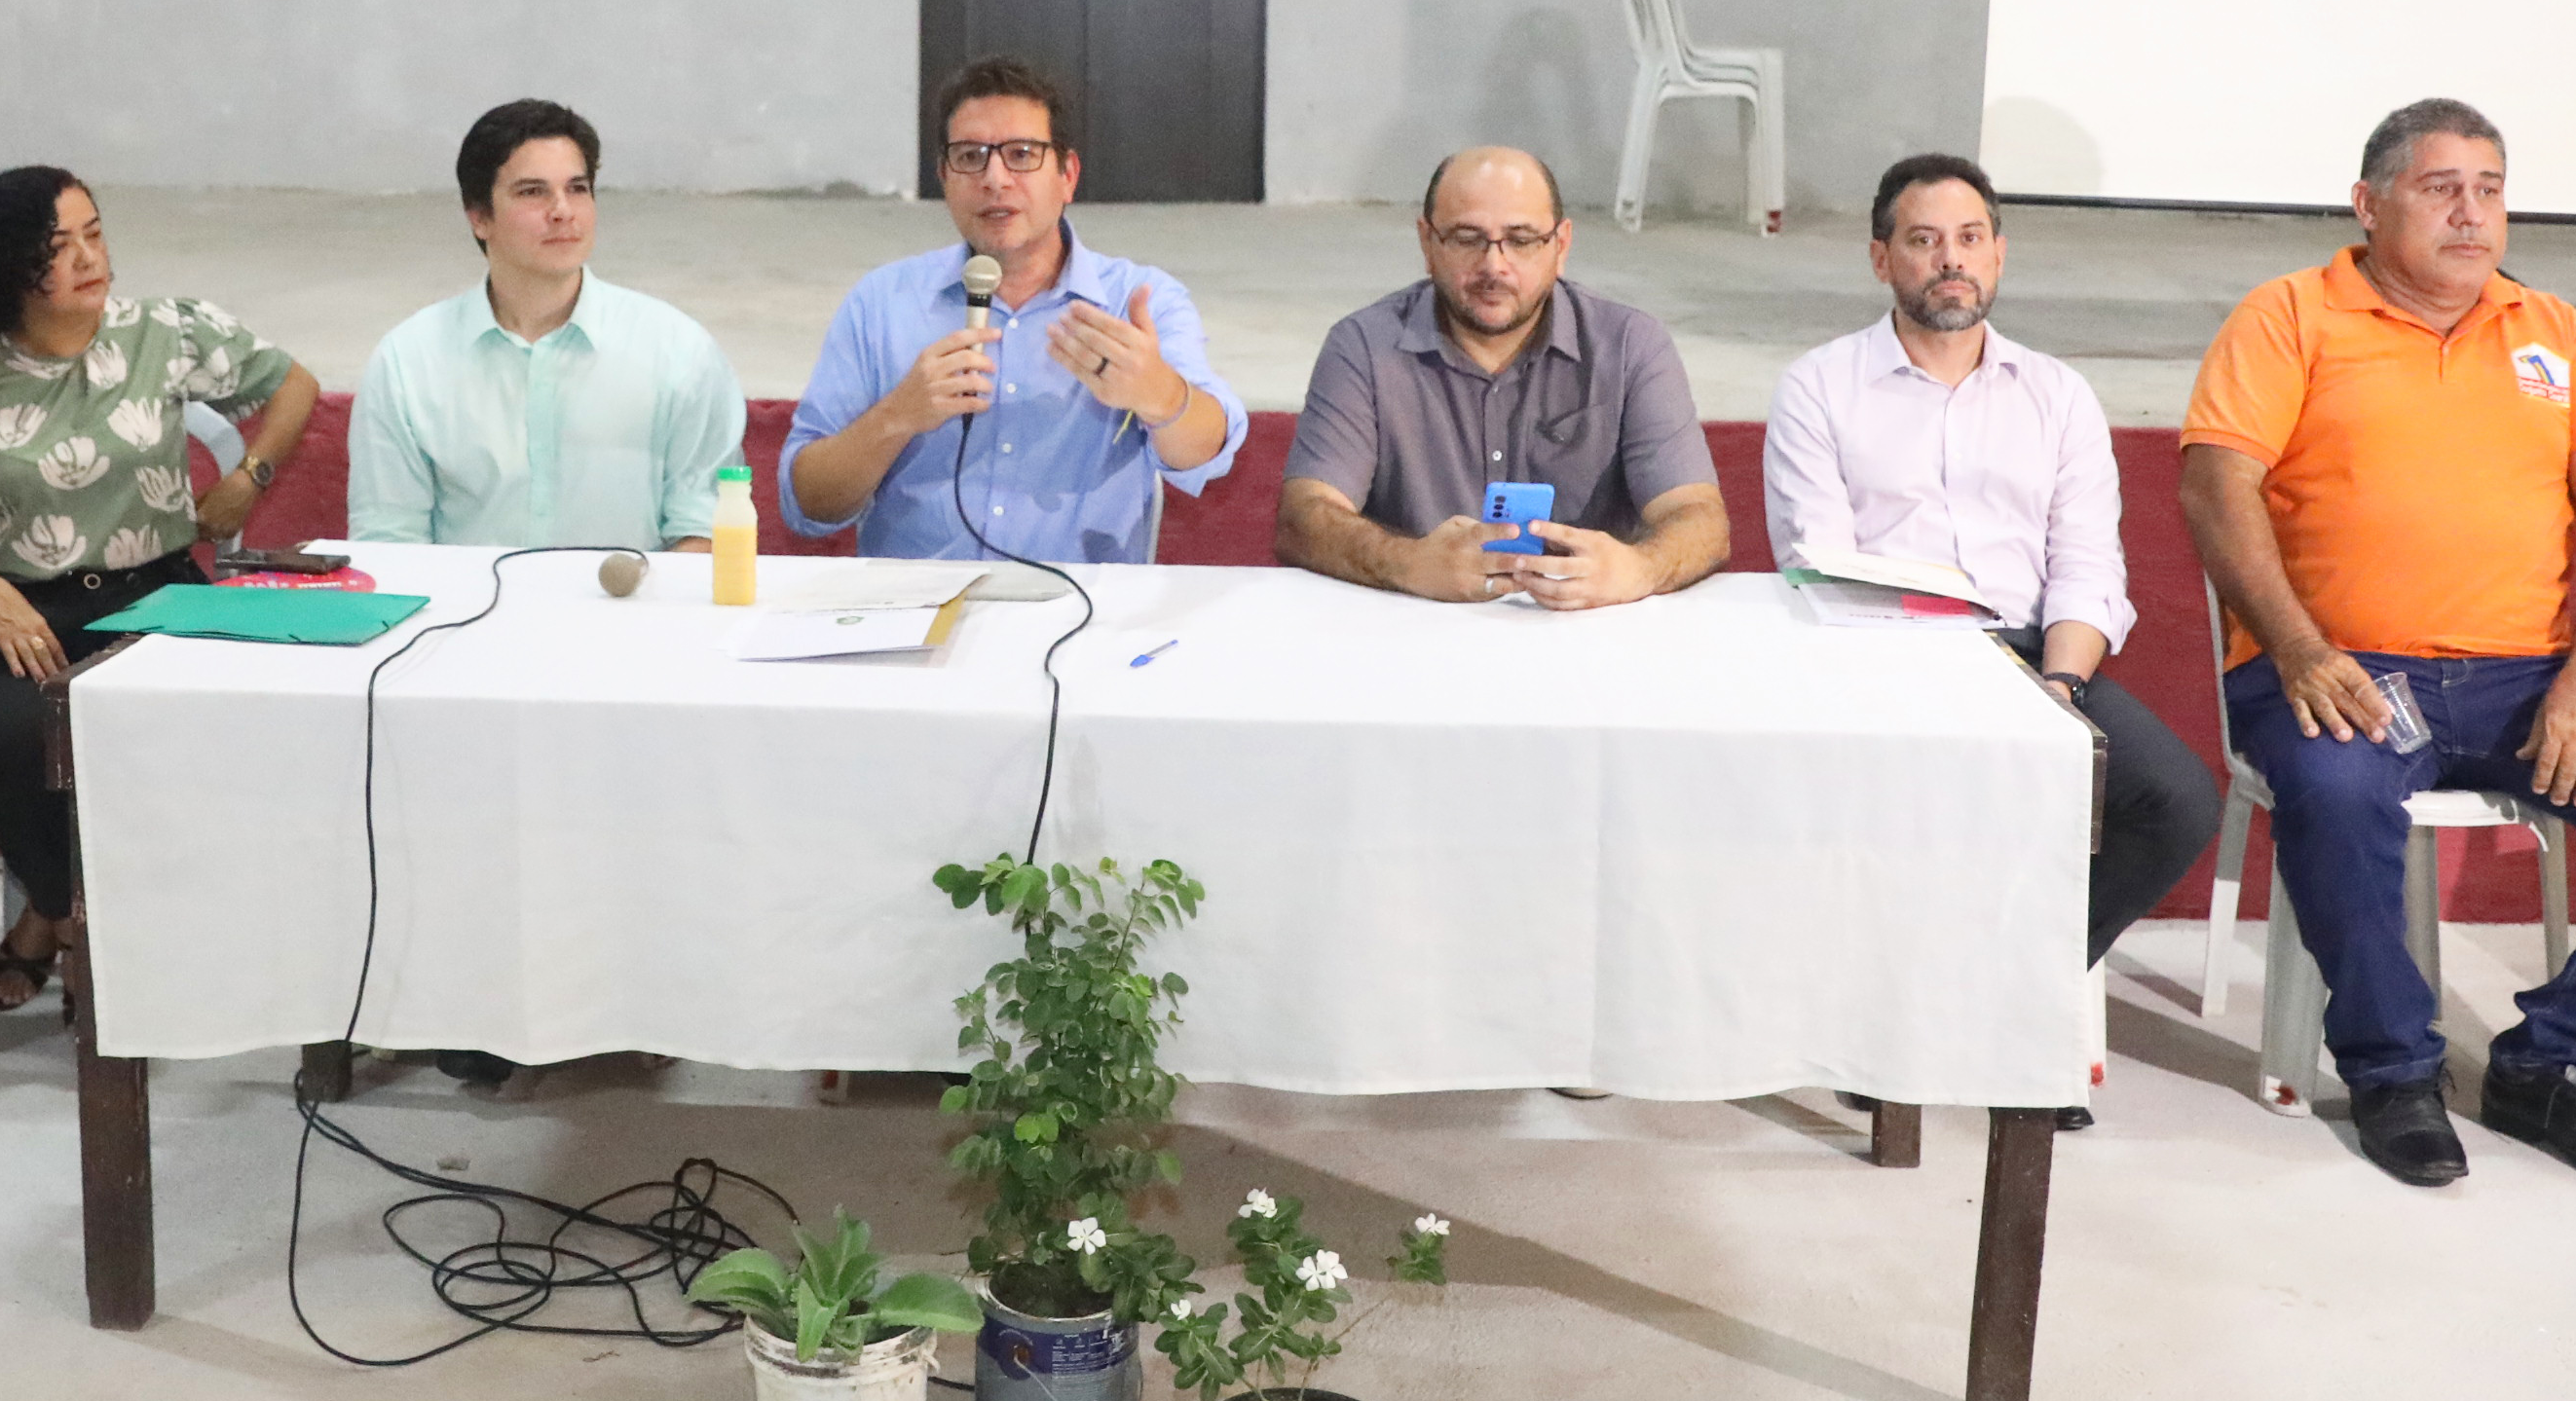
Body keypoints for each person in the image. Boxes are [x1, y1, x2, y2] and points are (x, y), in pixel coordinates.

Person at [2178, 97, 2576, 1197]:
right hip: (2349, 666)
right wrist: (2302, 651)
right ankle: (2392, 1071)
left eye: (2490, 190)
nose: (2471, 214)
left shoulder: (2553, 331)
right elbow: (2215, 485)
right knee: (2336, 791)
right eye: (2440, 189)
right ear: (2368, 205)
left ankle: (2555, 1066)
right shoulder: (2290, 316)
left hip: (2530, 674)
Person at [1765, 154, 2215, 1124]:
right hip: (1886, 658)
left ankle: (1975, 1003)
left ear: (1999, 256)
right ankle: (1980, 1026)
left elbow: (2088, 567)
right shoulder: (1821, 387)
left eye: (1970, 239)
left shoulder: (2056, 395)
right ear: (1881, 258)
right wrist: (1934, 678)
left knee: (2174, 800)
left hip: (2032, 662)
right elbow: (1818, 563)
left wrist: (2060, 687)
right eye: (1924, 241)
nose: (1950, 261)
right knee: (1930, 793)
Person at [0, 166, 317, 1024]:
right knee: (10, 740)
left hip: (157, 596)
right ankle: (70, 918)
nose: (89, 258)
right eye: (59, 247)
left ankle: (59, 922)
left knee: (186, 737)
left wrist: (248, 477)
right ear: (8, 265)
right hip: (23, 611)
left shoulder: (166, 331)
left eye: (94, 233)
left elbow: (294, 385)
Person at [782, 55, 1244, 565]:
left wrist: (1159, 394)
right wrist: (898, 415)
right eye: (970, 156)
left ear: (1068, 175)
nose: (994, 178)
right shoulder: (882, 304)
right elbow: (808, 505)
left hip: (1081, 603)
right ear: (943, 177)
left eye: (1021, 155)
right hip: (917, 603)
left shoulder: (1135, 301)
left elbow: (1209, 452)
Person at [1280, 146, 1727, 609]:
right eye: (1467, 238)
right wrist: (1408, 563)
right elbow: (1304, 516)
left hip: (1588, 629)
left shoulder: (1630, 344)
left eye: (1521, 239)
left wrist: (1641, 568)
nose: (1494, 266)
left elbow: (1700, 519)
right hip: (1414, 623)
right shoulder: (1363, 347)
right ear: (1427, 244)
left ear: (1561, 246)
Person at [347, 98, 743, 554]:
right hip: (463, 603)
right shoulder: (408, 361)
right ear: (479, 217)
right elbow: (390, 542)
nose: (562, 211)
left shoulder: (679, 351)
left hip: (636, 600)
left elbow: (705, 530)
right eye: (533, 192)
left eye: (578, 189)